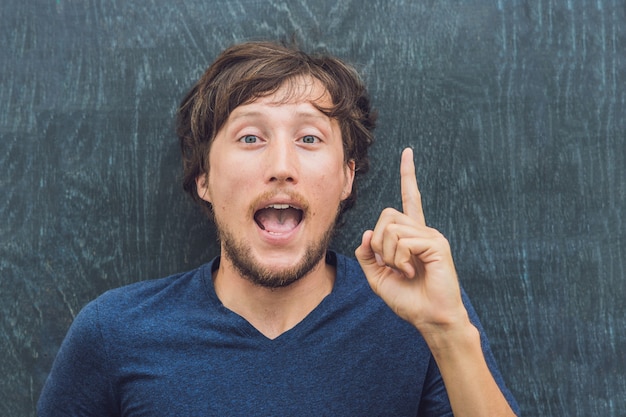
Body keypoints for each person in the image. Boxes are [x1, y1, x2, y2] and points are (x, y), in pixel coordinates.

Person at [38, 41, 520, 416]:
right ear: (203, 178)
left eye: (309, 138)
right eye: (251, 137)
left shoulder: (423, 321)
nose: (282, 166)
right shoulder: (115, 332)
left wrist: (447, 330)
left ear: (347, 177)